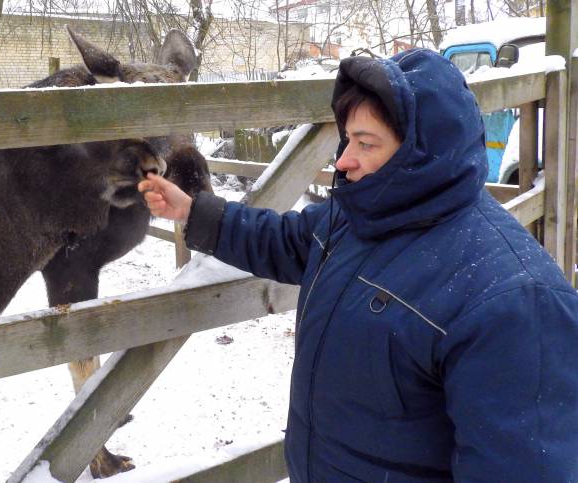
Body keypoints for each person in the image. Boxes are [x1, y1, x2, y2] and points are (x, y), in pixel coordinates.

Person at [138, 48, 578, 482]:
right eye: (347, 139)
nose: (344, 160)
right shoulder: (363, 216)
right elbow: (287, 240)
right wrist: (196, 212)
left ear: (420, 155)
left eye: (365, 143)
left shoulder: (516, 301)